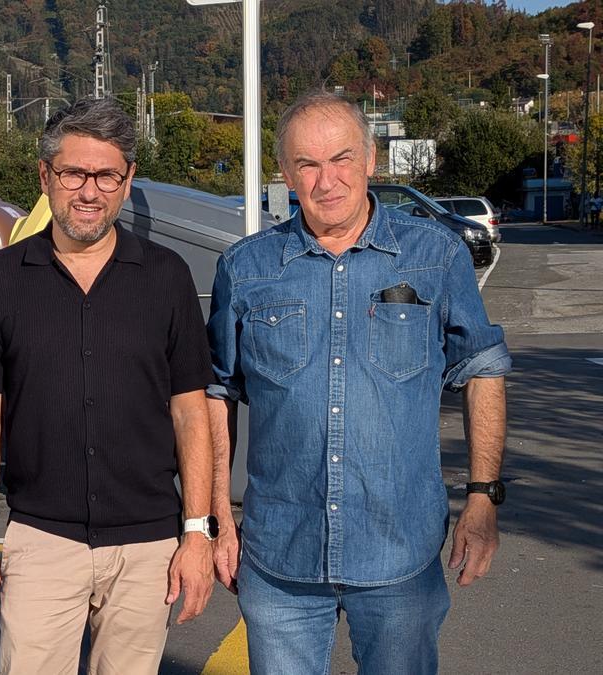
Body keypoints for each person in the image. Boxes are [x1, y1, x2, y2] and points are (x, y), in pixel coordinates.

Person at [206, 91, 511, 674]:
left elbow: (483, 371)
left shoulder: (434, 256)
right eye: (308, 165)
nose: (327, 181)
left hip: (401, 552)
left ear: (372, 160)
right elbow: (217, 392)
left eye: (342, 158)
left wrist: (482, 497)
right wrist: (219, 517)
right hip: (280, 556)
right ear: (287, 174)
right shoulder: (246, 268)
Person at [0, 97, 218, 675]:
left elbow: (192, 415)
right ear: (45, 176)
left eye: (106, 175)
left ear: (127, 182)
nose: (89, 191)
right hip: (42, 539)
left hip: (148, 546)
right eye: (74, 173)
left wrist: (196, 534)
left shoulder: (168, 277)